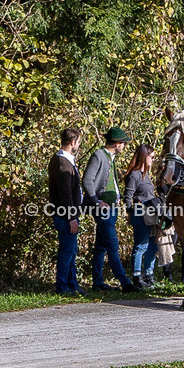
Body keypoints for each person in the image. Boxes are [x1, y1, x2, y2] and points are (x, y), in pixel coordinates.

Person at [82, 127, 137, 293]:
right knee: (113, 245)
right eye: (123, 143)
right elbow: (87, 180)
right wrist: (96, 201)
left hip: (111, 208)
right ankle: (125, 283)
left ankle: (97, 282)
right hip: (103, 210)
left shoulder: (110, 157)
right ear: (117, 144)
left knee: (101, 247)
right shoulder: (99, 155)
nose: (124, 147)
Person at [48, 128, 86, 296]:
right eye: (78, 142)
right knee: (66, 251)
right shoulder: (62, 163)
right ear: (72, 142)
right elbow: (65, 193)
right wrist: (71, 217)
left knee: (71, 250)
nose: (79, 145)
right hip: (65, 215)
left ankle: (72, 283)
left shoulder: (65, 160)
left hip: (67, 214)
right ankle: (63, 286)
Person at [123, 143, 158, 289]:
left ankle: (148, 274)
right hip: (140, 212)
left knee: (153, 244)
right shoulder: (135, 174)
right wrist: (131, 212)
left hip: (150, 212)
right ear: (144, 156)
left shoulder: (146, 174)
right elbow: (128, 196)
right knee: (141, 245)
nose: (152, 159)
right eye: (151, 157)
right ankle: (137, 276)